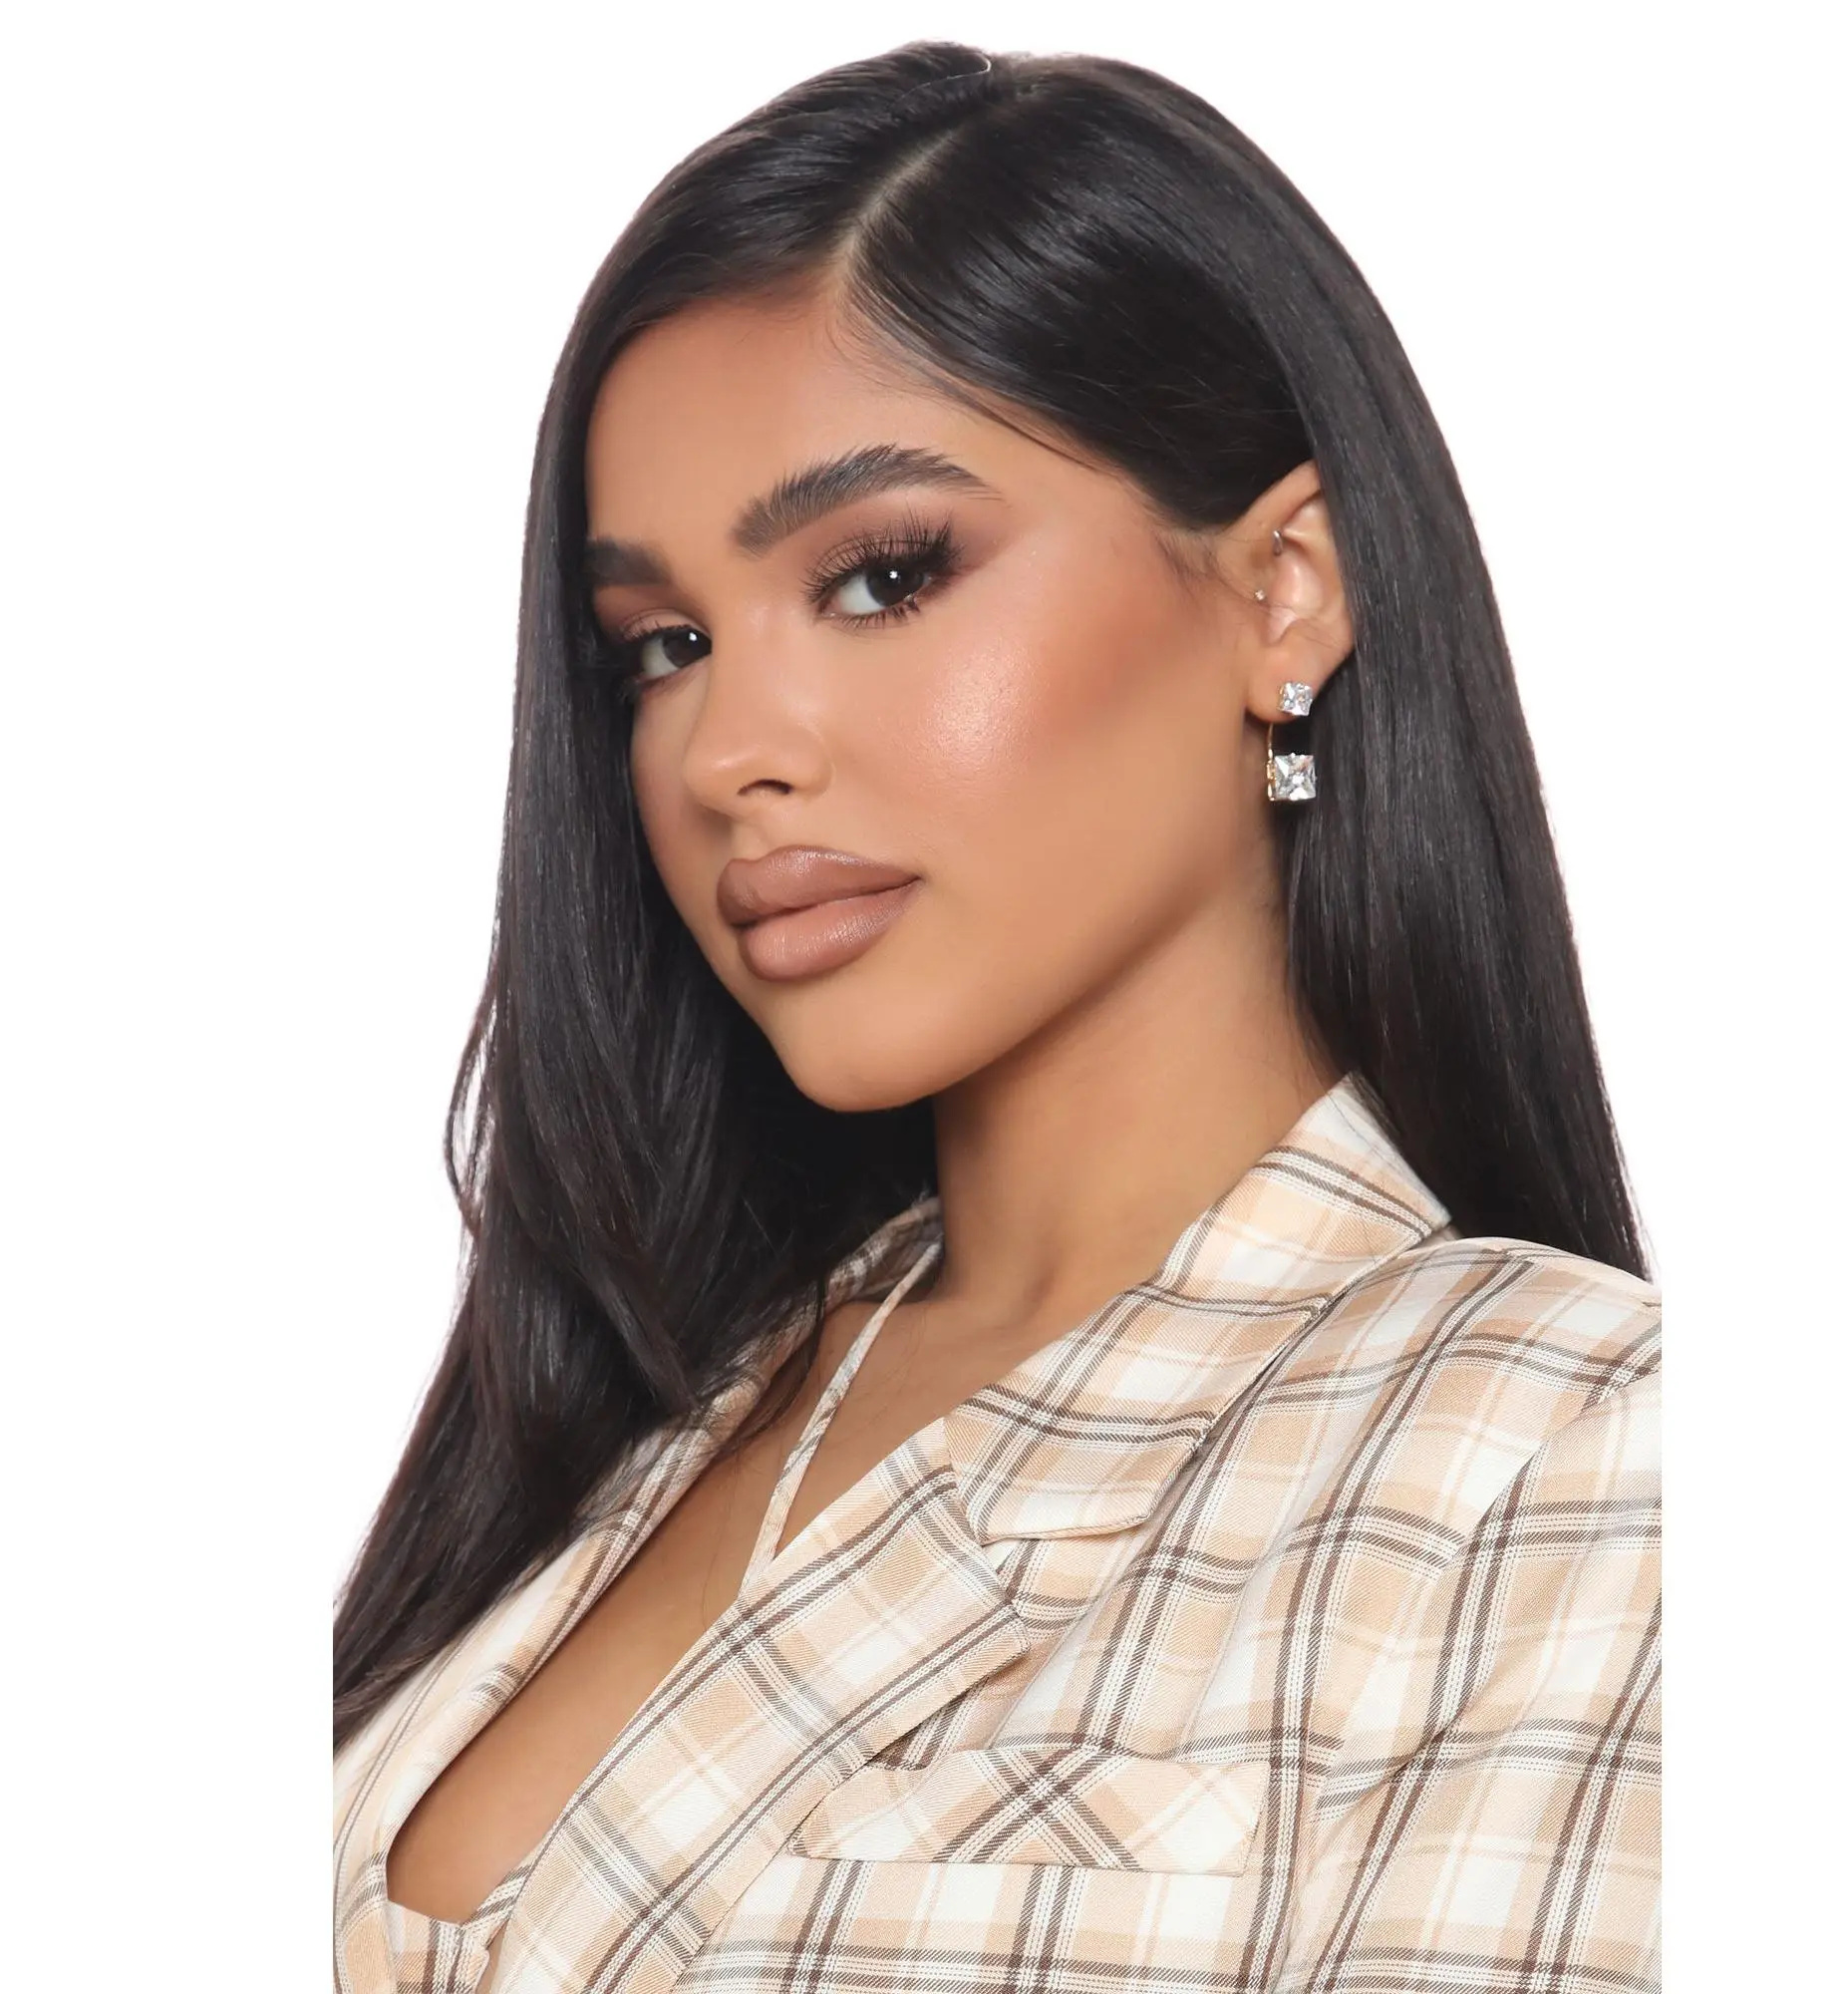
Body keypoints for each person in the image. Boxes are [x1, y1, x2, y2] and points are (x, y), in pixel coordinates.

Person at [332, 38, 1661, 1994]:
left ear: (1285, 590)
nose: (727, 750)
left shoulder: (1566, 1462)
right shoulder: (639, 1425)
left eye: (883, 576)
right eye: (663, 646)